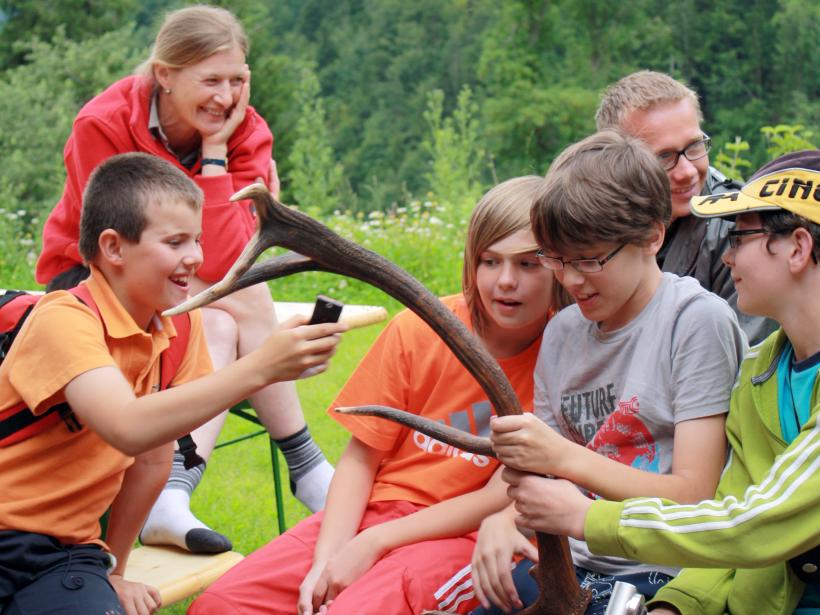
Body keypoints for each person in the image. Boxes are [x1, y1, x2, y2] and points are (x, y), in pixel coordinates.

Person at [187, 176, 565, 615]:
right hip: (377, 510)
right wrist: (327, 559)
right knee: (221, 604)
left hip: (463, 536)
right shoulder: (421, 326)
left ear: (558, 264)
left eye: (527, 265)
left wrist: (374, 542)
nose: (504, 281)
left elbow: (499, 496)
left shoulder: (565, 358)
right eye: (489, 261)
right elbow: (360, 458)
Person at [34, 5, 333, 555]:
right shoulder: (101, 124)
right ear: (164, 75)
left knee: (217, 325)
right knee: (242, 299)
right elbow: (114, 246)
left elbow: (230, 255)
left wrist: (216, 153)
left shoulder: (245, 131)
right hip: (92, 276)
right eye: (211, 80)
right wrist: (217, 167)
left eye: (238, 79)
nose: (227, 96)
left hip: (187, 282)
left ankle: (171, 492)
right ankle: (306, 464)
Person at [0, 153, 344, 615]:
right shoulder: (63, 318)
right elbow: (127, 426)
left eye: (197, 240)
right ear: (114, 247)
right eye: (176, 241)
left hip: (64, 554)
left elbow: (151, 460)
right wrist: (260, 366)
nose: (196, 258)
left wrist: (115, 572)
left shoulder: (178, 331)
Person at [513, 150, 820, 615]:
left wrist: (588, 517)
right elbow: (726, 512)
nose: (728, 253)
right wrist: (676, 606)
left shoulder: (700, 323)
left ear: (798, 247)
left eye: (740, 236)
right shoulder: (760, 373)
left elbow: (750, 523)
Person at [468, 131, 747, 615]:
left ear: (652, 236)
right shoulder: (564, 333)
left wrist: (563, 458)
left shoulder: (694, 322)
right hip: (569, 561)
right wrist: (504, 517)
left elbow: (696, 496)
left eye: (590, 259)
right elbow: (540, 475)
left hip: (664, 570)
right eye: (556, 259)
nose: (571, 280)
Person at [595, 70, 776, 344]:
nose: (687, 172)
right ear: (614, 163)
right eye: (663, 157)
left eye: (694, 147)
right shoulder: (588, 222)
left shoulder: (741, 228)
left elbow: (743, 363)